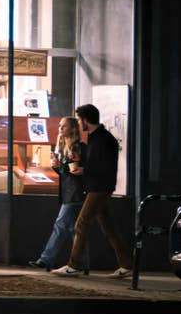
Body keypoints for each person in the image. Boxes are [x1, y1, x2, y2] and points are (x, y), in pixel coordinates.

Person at [52, 104, 132, 278]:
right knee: (108, 227)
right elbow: (93, 163)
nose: (79, 124)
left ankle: (74, 265)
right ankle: (126, 264)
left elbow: (105, 166)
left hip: (100, 188)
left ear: (86, 120)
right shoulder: (94, 138)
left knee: (81, 224)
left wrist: (84, 170)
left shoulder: (103, 139)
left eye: (80, 120)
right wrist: (75, 162)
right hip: (96, 187)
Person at [29, 117, 90, 272]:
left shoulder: (77, 146)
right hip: (69, 192)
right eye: (60, 126)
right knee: (73, 229)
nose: (60, 129)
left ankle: (46, 259)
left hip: (75, 192)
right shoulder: (64, 146)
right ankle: (82, 264)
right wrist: (57, 166)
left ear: (73, 129)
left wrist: (61, 165)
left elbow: (75, 171)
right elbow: (66, 172)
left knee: (61, 224)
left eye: (64, 126)